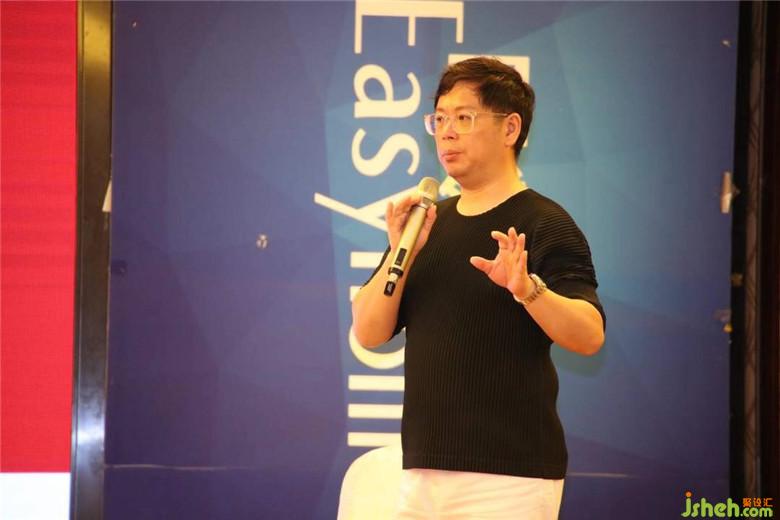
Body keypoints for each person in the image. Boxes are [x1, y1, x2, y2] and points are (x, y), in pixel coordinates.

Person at [351, 57, 606, 519]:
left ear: (510, 128)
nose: (446, 133)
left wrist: (527, 290)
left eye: (464, 118)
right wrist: (398, 251)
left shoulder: (545, 223)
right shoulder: (426, 224)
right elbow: (368, 332)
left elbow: (589, 335)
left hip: (511, 477)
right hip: (422, 472)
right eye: (439, 119)